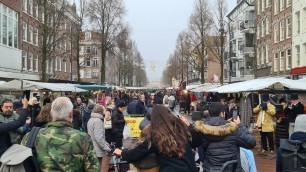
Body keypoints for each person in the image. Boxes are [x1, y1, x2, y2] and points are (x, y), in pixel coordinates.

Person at [21, 97, 99, 171]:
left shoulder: (30, 136)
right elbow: (93, 168)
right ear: (71, 114)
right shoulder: (83, 138)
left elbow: (21, 164)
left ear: (51, 114)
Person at [114, 105, 197, 172]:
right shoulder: (181, 127)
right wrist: (190, 126)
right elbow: (197, 142)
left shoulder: (157, 135)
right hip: (191, 168)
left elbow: (139, 151)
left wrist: (122, 153)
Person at [182, 102, 256, 171]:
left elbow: (196, 147)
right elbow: (251, 143)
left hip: (210, 169)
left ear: (209, 113)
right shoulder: (233, 129)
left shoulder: (202, 129)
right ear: (222, 113)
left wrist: (189, 126)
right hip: (231, 169)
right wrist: (240, 125)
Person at [87, 104, 112, 172]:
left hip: (92, 148)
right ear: (101, 112)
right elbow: (99, 138)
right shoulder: (98, 121)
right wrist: (107, 148)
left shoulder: (91, 119)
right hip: (97, 150)